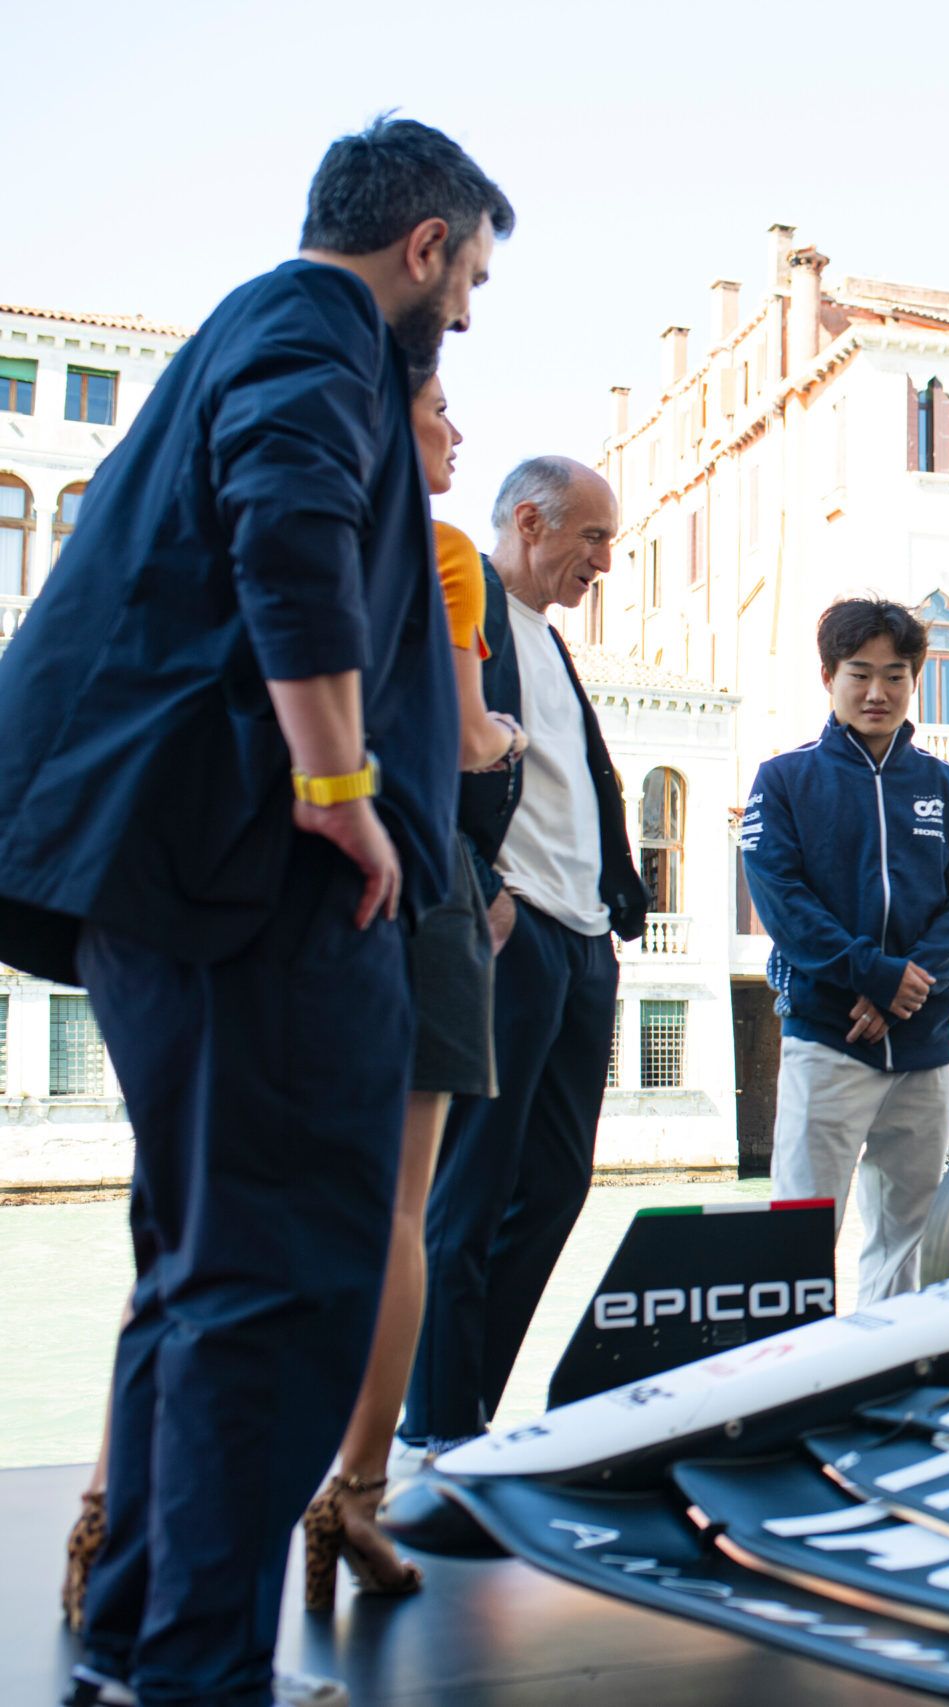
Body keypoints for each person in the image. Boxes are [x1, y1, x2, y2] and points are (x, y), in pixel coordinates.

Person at [0, 116, 510, 1707]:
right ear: (423, 246)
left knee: (201, 1266)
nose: (466, 317)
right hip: (251, 885)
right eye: (471, 279)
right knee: (282, 1273)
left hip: (177, 880)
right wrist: (341, 781)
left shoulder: (252, 327)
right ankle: (200, 1668)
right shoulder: (315, 328)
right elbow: (288, 522)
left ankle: (147, 1638)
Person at [300, 357, 527, 1610]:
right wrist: (509, 741)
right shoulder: (442, 554)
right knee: (399, 1212)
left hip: (291, 880)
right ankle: (354, 1499)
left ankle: (113, 1513)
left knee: (217, 1210)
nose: (457, 429)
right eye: (441, 409)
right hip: (417, 876)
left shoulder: (293, 534)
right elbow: (467, 731)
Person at [403, 455, 646, 1455]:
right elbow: (419, 754)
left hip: (583, 942)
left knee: (554, 1187)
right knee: (467, 1192)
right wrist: (480, 884)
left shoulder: (548, 639)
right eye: (593, 537)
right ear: (532, 523)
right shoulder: (463, 612)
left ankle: (468, 1412)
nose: (605, 562)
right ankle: (434, 1429)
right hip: (513, 932)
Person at [742, 597, 949, 1303]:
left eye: (895, 675)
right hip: (828, 1036)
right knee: (798, 1234)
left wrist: (904, 987)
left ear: (915, 679)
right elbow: (783, 903)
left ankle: (890, 1361)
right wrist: (874, 974)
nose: (877, 691)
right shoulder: (784, 781)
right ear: (829, 677)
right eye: (859, 674)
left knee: (908, 1237)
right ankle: (791, 1364)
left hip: (924, 1042)